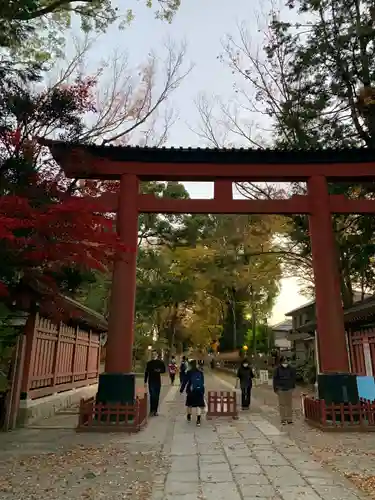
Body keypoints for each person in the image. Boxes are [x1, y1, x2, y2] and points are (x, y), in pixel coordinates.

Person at [180, 359, 205, 426]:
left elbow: (184, 382)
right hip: (199, 390)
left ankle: (189, 416)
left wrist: (181, 390)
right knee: (198, 405)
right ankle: (198, 420)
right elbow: (202, 383)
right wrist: (202, 391)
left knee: (189, 404)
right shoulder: (200, 372)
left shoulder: (188, 372)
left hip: (191, 391)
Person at [273, 356, 296, 425]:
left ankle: (289, 419)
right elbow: (275, 379)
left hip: (289, 388)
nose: (285, 363)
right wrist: (275, 389)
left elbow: (293, 378)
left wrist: (292, 387)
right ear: (281, 362)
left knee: (289, 404)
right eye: (284, 361)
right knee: (282, 404)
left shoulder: (291, 369)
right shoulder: (277, 369)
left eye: (286, 361)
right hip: (280, 389)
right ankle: (283, 419)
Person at [144, 351, 166, 416]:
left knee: (156, 396)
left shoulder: (160, 362)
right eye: (152, 354)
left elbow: (164, 370)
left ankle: (155, 410)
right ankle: (151, 410)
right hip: (151, 381)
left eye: (155, 354)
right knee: (152, 396)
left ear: (157, 355)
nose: (153, 355)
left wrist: (159, 370)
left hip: (157, 381)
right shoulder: (149, 363)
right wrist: (145, 381)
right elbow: (146, 372)